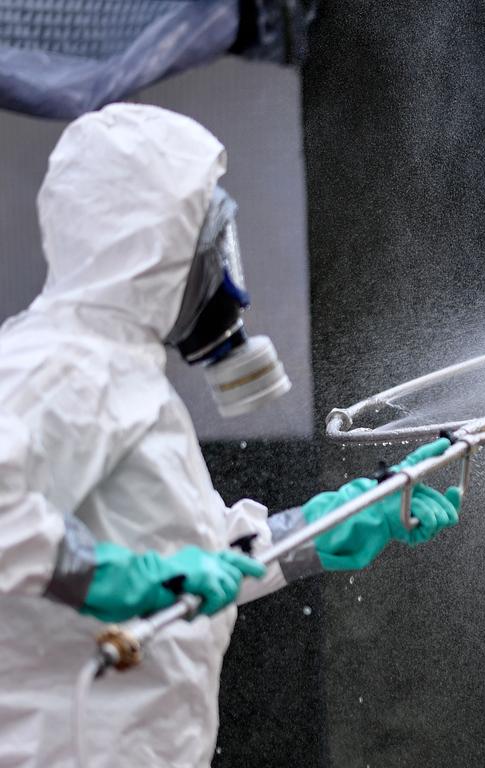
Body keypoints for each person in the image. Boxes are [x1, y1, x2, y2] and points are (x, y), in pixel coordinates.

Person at [0, 103, 460, 768]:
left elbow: (201, 559)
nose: (225, 282)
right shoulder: (60, 366)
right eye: (209, 247)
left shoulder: (125, 375)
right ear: (146, 246)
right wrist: (128, 580)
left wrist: (338, 522)